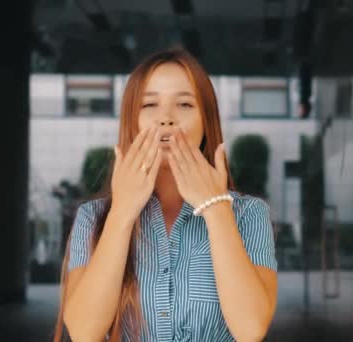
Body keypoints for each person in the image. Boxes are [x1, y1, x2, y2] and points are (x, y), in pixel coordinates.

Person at [53, 48, 278, 342]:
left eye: (185, 104)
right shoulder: (93, 217)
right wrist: (122, 213)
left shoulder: (249, 215)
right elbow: (84, 332)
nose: (166, 119)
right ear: (131, 122)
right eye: (149, 105)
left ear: (206, 122)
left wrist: (216, 208)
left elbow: (251, 329)